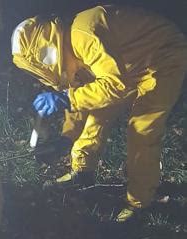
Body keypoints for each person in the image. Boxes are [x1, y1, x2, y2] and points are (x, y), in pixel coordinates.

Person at [11, 5, 187, 222]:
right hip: (127, 64)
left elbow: (114, 86)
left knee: (142, 128)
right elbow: (84, 95)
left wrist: (68, 98)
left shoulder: (84, 35)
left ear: (45, 49)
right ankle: (83, 170)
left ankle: (140, 202)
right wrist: (67, 136)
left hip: (162, 56)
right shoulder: (69, 48)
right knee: (98, 109)